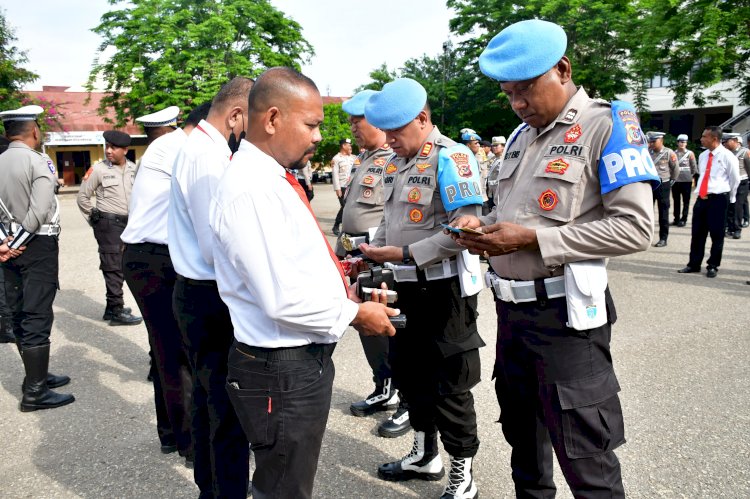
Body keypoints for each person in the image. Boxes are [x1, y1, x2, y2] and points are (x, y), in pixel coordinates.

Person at [451, 20, 659, 498]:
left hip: (566, 321)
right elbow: (511, 213)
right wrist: (481, 226)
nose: (517, 104)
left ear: (562, 70)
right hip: (511, 314)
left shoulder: (608, 126)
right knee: (524, 446)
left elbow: (636, 227)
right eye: (508, 94)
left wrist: (534, 242)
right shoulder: (522, 137)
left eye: (526, 90)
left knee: (586, 458)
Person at [210, 66, 398, 499]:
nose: (318, 137)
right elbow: (279, 299)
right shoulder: (251, 189)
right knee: (283, 488)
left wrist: (342, 283)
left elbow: (290, 263)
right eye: (311, 125)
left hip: (292, 363)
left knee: (288, 480)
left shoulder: (269, 177)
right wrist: (354, 313)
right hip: (280, 367)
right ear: (273, 119)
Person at [360, 78, 485, 499]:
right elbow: (393, 219)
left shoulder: (453, 157)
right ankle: (424, 453)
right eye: (386, 132)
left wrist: (405, 253)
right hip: (406, 288)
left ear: (423, 119)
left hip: (445, 291)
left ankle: (461, 472)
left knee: (450, 384)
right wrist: (374, 248)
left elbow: (467, 228)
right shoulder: (401, 161)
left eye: (396, 131)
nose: (389, 139)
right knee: (409, 374)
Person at [168, 78, 254, 497]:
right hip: (208, 295)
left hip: (202, 293)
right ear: (235, 115)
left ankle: (213, 488)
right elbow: (213, 243)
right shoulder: (205, 157)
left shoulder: (207, 149)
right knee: (225, 409)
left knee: (210, 403)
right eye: (249, 121)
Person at [121, 103, 205, 467]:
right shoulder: (181, 148)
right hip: (157, 258)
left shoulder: (167, 147)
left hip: (147, 257)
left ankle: (171, 434)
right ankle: (190, 443)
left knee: (165, 350)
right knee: (180, 352)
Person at [336, 89, 411, 438]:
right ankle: (384, 387)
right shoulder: (363, 159)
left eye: (357, 120)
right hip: (359, 257)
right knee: (368, 330)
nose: (352, 127)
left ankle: (408, 401)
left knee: (393, 331)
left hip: (383, 258)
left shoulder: (393, 160)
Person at [0, 105, 74, 411]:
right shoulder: (38, 160)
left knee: (18, 309)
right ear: (34, 130)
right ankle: (35, 391)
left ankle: (36, 376)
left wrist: (3, 244)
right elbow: (40, 209)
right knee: (38, 313)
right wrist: (18, 242)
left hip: (6, 246)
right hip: (36, 245)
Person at [76, 130, 142, 325]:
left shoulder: (133, 169)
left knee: (123, 264)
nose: (108, 151)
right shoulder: (98, 170)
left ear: (125, 150)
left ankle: (110, 307)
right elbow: (82, 198)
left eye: (114, 147)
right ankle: (116, 309)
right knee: (113, 266)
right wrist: (95, 220)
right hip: (108, 223)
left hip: (128, 223)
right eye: (107, 147)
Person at [678, 126, 740, 278]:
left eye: (705, 136)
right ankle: (694, 264)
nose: (701, 139)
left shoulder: (728, 156)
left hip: (718, 199)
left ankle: (713, 265)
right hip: (702, 199)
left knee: (717, 234)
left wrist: (730, 198)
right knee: (697, 233)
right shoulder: (703, 155)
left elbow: (735, 179)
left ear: (714, 139)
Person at [648, 131, 679, 247]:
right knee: (647, 212)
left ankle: (663, 238)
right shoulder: (647, 152)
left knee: (663, 213)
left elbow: (675, 168)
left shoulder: (668, 153)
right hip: (650, 185)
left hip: (663, 185)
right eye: (650, 141)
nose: (651, 143)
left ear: (661, 141)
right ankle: (646, 237)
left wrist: (672, 181)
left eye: (653, 141)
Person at [722, 133, 749, 239]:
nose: (724, 144)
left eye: (726, 141)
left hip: (742, 182)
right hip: (728, 182)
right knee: (729, 205)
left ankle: (737, 229)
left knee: (738, 206)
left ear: (734, 140)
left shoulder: (745, 152)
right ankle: (729, 227)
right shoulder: (725, 152)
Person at [331, 137, 355, 235]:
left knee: (349, 208)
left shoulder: (353, 158)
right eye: (348, 145)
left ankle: (345, 227)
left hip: (352, 187)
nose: (350, 147)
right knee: (345, 207)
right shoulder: (336, 159)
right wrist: (337, 188)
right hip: (342, 186)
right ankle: (336, 225)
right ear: (343, 146)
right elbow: (335, 174)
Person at [672, 134, 697, 227]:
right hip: (676, 180)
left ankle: (684, 219)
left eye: (684, 142)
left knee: (686, 201)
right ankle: (676, 218)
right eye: (680, 142)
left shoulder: (690, 154)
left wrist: (693, 177)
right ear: (677, 143)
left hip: (686, 180)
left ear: (686, 143)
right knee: (676, 200)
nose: (682, 144)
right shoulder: (673, 153)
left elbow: (694, 166)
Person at [485, 135, 506, 212]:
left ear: (503, 147)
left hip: (500, 192)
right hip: (492, 192)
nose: (494, 147)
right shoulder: (494, 159)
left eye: (496, 145)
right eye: (493, 145)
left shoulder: (504, 159)